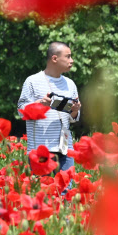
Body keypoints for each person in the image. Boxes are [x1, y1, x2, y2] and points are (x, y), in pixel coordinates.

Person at [17, 42, 81, 174]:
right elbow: (21, 111)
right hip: (40, 150)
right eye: (68, 57)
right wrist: (40, 104)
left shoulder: (70, 84)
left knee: (66, 192)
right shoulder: (32, 81)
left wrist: (75, 111)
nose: (72, 60)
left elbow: (73, 118)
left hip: (65, 148)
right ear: (54, 59)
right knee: (41, 191)